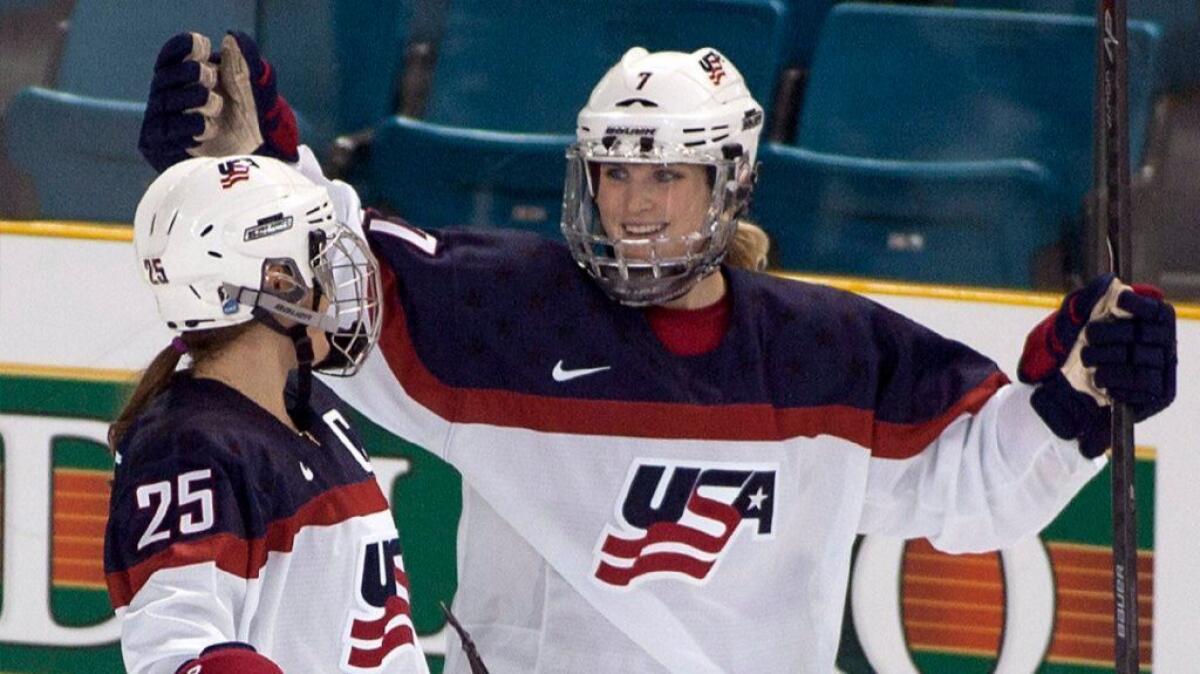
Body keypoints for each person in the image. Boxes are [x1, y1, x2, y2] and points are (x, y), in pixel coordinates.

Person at [139, 32, 1178, 673]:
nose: (633, 207)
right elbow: (331, 268)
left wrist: (1085, 383)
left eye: (665, 177)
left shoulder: (826, 348)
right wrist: (251, 163)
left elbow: (975, 481)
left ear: (730, 182)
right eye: (614, 175)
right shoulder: (500, 312)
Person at [103, 151, 430, 674]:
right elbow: (175, 649)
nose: (338, 285)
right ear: (277, 282)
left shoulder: (315, 408)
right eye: (320, 259)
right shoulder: (186, 453)